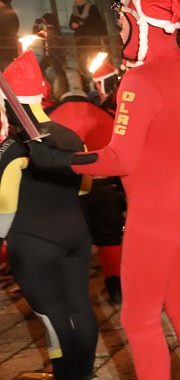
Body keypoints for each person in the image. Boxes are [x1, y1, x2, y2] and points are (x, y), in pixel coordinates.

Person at [30, 0, 180, 380]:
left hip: (154, 219)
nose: (118, 32)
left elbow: (119, 158)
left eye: (122, 23)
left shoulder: (140, 81)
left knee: (139, 319)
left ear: (142, 24)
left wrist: (62, 161)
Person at [0, 52, 98, 380]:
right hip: (76, 232)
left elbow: (6, 203)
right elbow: (86, 185)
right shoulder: (71, 136)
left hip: (33, 240)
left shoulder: (14, 145)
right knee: (79, 305)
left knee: (50, 314)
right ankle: (86, 373)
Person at [47, 67, 125, 305]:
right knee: (110, 238)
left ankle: (76, 295)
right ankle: (117, 288)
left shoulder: (48, 116)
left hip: (69, 191)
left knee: (72, 245)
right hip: (105, 188)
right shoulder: (107, 114)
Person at [0, 0, 18, 67]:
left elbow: (9, 30)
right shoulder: (7, 13)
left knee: (6, 72)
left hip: (6, 50)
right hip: (6, 49)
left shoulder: (6, 14)